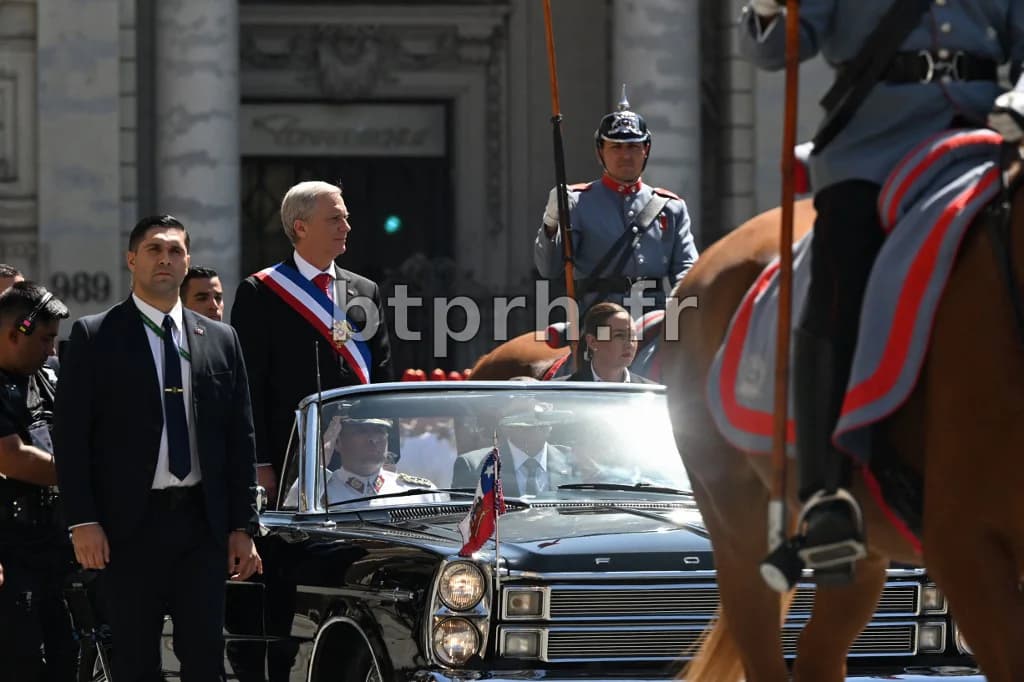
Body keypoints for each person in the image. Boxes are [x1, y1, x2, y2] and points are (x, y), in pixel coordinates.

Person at [739, 1, 1024, 576]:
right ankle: (827, 491)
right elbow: (776, 50)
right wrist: (768, 10)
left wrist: (1020, 102)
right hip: (873, 150)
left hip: (982, 136)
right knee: (841, 267)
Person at [53, 214, 262, 681]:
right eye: (154, 249)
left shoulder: (222, 341)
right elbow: (71, 438)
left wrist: (242, 525)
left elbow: (238, 437)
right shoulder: (95, 336)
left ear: (187, 262)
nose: (165, 259)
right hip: (127, 528)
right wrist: (83, 520)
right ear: (132, 259)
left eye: (175, 251)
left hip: (201, 527)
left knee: (206, 659)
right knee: (134, 661)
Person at [232, 181, 393, 505]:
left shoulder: (365, 290)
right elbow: (248, 387)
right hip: (290, 456)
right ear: (301, 227)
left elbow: (383, 373)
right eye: (334, 219)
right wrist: (260, 461)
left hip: (362, 460)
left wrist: (391, 453)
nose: (345, 227)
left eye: (345, 218)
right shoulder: (260, 292)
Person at [533, 90, 698, 314]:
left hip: (654, 320)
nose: (625, 155)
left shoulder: (671, 207)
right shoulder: (578, 203)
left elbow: (686, 270)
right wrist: (551, 224)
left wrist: (681, 307)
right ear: (600, 151)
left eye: (633, 147)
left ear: (645, 150)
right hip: (598, 322)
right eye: (616, 147)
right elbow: (549, 268)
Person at [0, 282, 77, 680]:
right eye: (45, 339)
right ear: (14, 335)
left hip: (53, 547)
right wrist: (88, 473)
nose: (51, 350)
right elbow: (11, 458)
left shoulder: (43, 378)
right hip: (10, 553)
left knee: (64, 657)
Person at [451, 400, 573, 495]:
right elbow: (465, 519)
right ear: (505, 424)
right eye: (523, 414)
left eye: (541, 415)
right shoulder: (474, 466)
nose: (533, 422)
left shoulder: (573, 460)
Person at [560, 302, 655, 383]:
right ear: (592, 342)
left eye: (633, 335)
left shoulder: (650, 394)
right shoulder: (561, 392)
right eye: (619, 335)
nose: (630, 344)